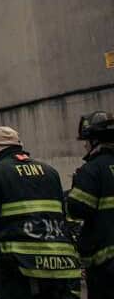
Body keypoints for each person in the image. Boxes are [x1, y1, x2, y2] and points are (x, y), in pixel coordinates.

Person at [0, 126, 81, 298]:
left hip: (17, 263)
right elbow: (61, 213)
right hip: (57, 259)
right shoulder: (50, 172)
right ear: (19, 144)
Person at [66, 111, 114, 298]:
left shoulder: (93, 169)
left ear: (94, 140)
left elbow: (78, 208)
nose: (84, 145)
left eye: (86, 141)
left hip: (106, 263)